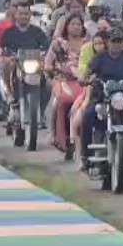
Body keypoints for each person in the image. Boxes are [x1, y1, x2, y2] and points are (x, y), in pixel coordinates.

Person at [80, 27, 123, 172]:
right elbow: (88, 71)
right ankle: (85, 156)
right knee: (87, 116)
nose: (116, 44)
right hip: (103, 99)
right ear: (108, 42)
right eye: (113, 41)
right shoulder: (100, 57)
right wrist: (84, 78)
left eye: (120, 41)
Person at [0, 2, 52, 122]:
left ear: (30, 15)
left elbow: (47, 46)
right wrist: (0, 51)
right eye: (21, 13)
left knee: (49, 85)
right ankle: (10, 95)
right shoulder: (8, 32)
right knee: (4, 63)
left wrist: (44, 53)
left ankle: (40, 112)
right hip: (15, 64)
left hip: (33, 65)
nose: (23, 16)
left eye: (26, 14)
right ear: (15, 15)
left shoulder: (37, 32)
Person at [46, 13, 89, 156]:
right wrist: (52, 71)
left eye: (78, 24)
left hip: (82, 81)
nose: (76, 27)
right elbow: (48, 63)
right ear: (66, 26)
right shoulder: (58, 44)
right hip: (61, 80)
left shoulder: (88, 44)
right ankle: (54, 134)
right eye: (73, 24)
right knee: (60, 101)